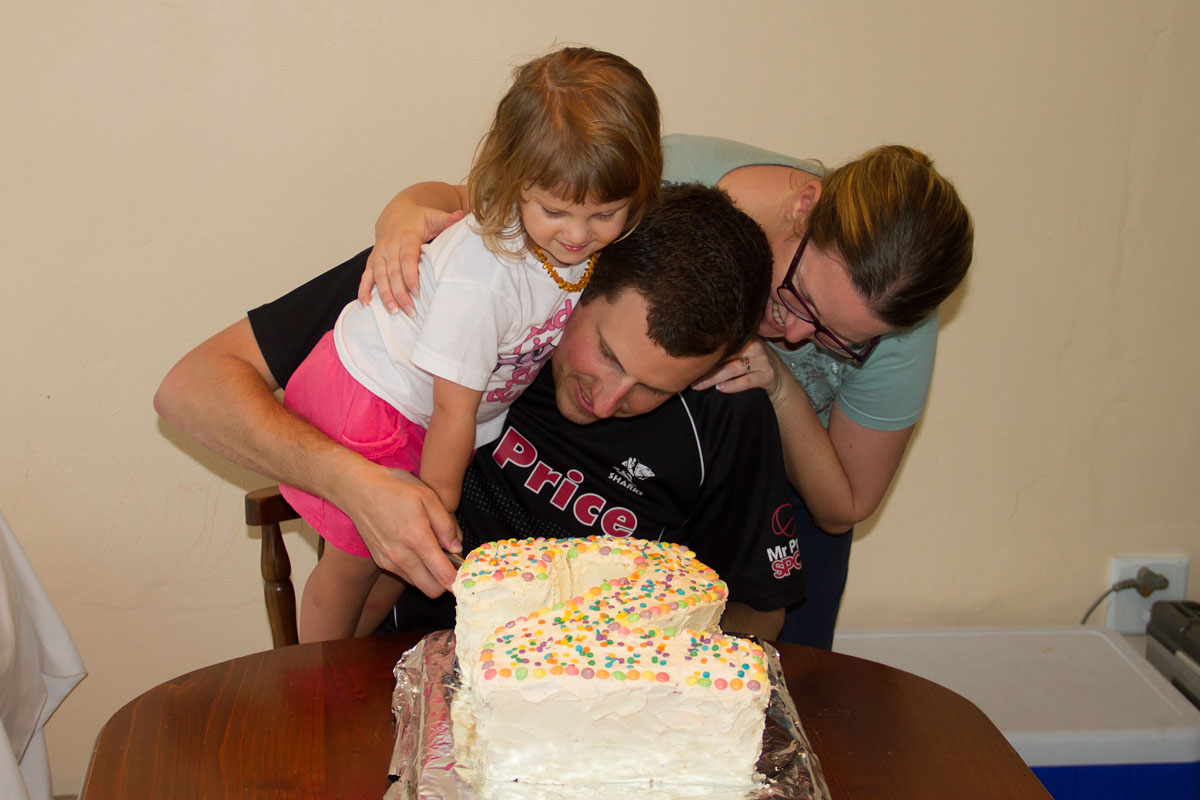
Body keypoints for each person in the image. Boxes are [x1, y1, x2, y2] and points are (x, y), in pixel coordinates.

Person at [361, 134, 974, 649]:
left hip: (761, 468)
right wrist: (410, 207)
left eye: (837, 338)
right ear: (803, 206)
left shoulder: (892, 324)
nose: (794, 333)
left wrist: (780, 385)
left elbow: (841, 507)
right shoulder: (664, 181)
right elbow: (506, 213)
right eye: (798, 296)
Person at [154, 182, 801, 641]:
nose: (605, 402)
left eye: (650, 390)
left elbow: (762, 610)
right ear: (581, 271)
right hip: (405, 659)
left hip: (603, 692)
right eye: (605, 352)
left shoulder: (725, 416)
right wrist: (354, 485)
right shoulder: (471, 284)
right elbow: (191, 389)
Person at [278, 47, 661, 642]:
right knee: (351, 570)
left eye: (605, 214)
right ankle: (313, 689)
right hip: (380, 399)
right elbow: (455, 411)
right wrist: (439, 516)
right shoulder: (483, 278)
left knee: (390, 576)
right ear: (513, 181)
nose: (580, 236)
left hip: (427, 412)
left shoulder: (574, 237)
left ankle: (349, 671)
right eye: (556, 211)